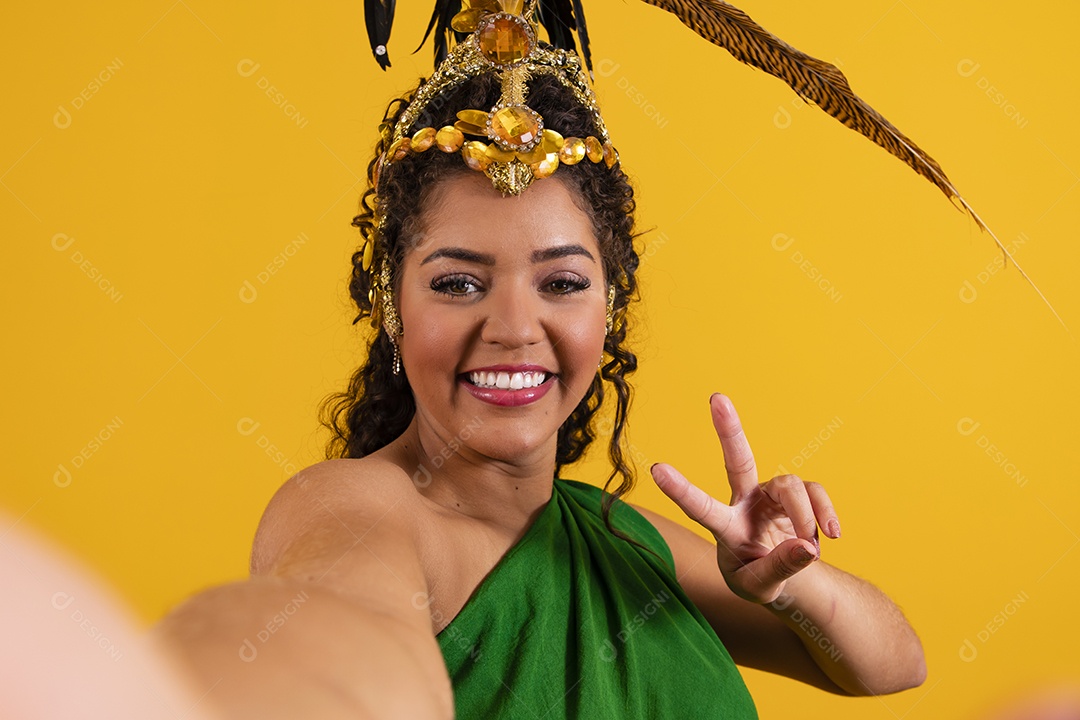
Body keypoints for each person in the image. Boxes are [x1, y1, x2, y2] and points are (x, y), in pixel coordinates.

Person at [152, 3, 929, 717]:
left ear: (610, 307)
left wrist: (785, 577)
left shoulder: (621, 540)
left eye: (561, 282)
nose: (515, 328)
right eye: (458, 283)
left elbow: (891, 663)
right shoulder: (356, 510)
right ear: (392, 305)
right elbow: (341, 654)